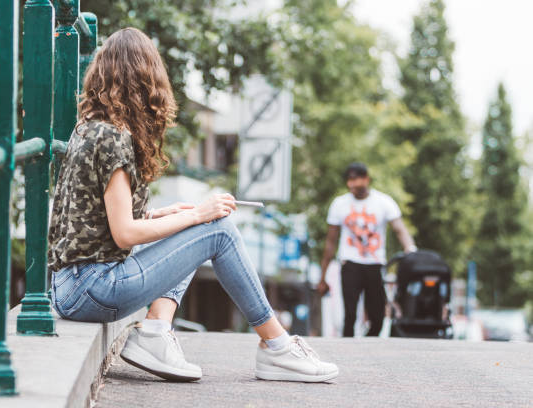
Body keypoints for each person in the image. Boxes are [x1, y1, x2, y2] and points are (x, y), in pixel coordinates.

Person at [47, 27, 338, 383]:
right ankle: (277, 347)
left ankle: (155, 331)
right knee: (220, 232)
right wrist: (200, 215)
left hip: (68, 287)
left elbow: (96, 221)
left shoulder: (89, 127)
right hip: (94, 289)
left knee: (192, 224)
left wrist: (167, 215)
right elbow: (124, 234)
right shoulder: (113, 137)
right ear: (144, 78)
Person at [316, 162, 417, 337]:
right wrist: (323, 277)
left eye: (356, 180)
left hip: (375, 263)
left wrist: (411, 249)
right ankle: (348, 349)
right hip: (350, 264)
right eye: (349, 180)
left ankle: (368, 344)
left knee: (377, 316)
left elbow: (400, 229)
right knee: (349, 315)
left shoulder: (383, 202)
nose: (352, 184)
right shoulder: (340, 204)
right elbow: (330, 242)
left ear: (366, 179)